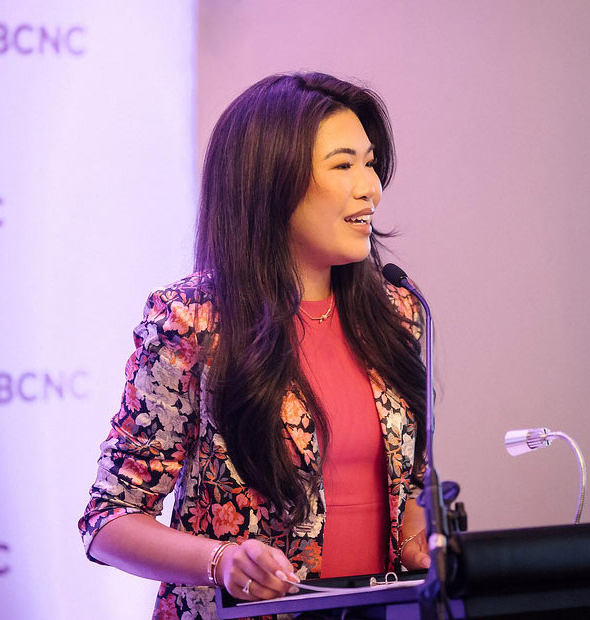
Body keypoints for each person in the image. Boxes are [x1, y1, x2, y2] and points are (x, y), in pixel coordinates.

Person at [79, 71, 430, 620]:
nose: (371, 188)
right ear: (271, 183)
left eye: (369, 163)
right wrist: (221, 561)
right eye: (343, 165)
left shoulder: (398, 311)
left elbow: (411, 486)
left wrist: (417, 527)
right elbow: (110, 520)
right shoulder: (193, 320)